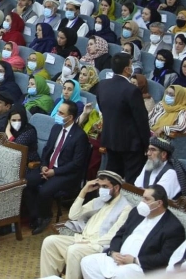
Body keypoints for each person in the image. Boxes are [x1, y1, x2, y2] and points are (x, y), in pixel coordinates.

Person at [40, 171, 133, 279]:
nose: (101, 190)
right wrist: (84, 191)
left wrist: (89, 242)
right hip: (82, 239)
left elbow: (112, 237)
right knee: (50, 241)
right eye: (100, 186)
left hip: (99, 245)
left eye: (105, 186)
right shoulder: (99, 200)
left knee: (74, 250)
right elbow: (73, 215)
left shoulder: (126, 208)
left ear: (116, 188)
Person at [79, 185, 186, 279]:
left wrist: (135, 260)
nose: (142, 202)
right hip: (117, 258)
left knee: (121, 273)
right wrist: (114, 252)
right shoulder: (137, 213)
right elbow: (120, 234)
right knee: (87, 262)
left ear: (159, 203)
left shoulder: (173, 227)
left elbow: (164, 258)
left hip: (141, 267)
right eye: (142, 198)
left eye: (146, 199)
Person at [29, 100, 91, 234]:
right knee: (28, 181)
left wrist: (54, 172)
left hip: (66, 174)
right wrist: (44, 166)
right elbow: (47, 149)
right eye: (58, 111)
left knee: (45, 191)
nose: (57, 115)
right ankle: (34, 214)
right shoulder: (56, 128)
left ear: (70, 117)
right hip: (48, 168)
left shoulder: (80, 136)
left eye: (61, 113)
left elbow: (76, 164)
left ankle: (45, 216)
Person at [96, 52, 151, 181]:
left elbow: (103, 109)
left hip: (110, 138)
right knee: (131, 183)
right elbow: (141, 119)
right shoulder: (132, 90)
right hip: (131, 144)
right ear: (127, 69)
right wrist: (146, 143)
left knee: (111, 178)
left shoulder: (102, 85)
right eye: (131, 65)